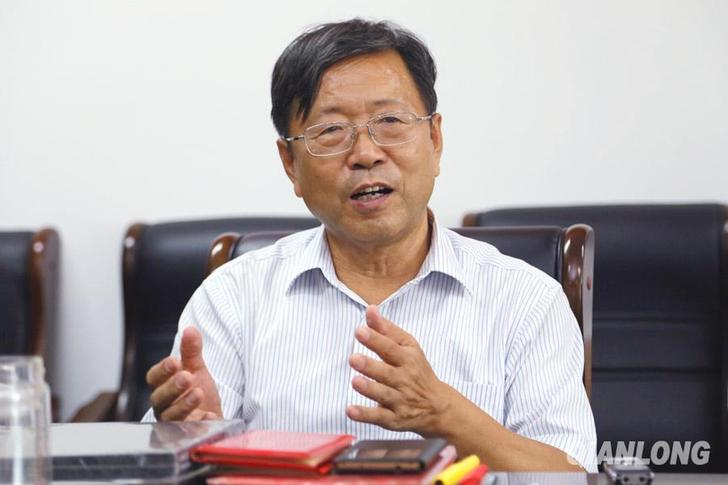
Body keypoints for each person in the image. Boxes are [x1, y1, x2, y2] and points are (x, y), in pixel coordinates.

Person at [143, 19, 597, 472]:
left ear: (435, 140)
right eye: (331, 131)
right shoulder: (234, 297)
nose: (365, 154)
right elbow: (163, 464)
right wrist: (189, 437)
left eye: (390, 122)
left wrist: (446, 415)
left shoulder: (525, 300)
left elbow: (573, 475)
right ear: (290, 164)